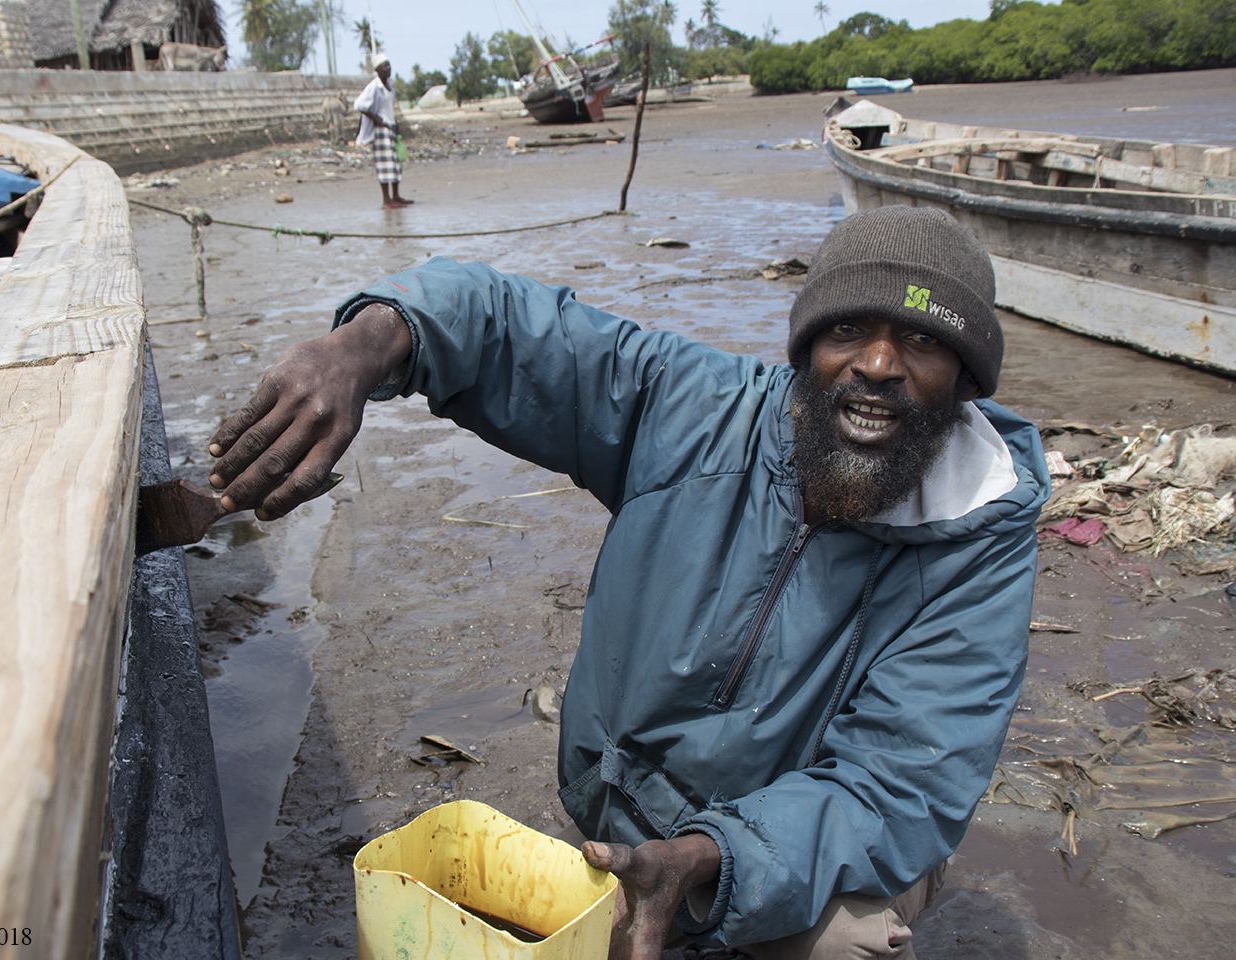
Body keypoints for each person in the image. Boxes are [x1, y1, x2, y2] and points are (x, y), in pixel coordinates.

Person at [206, 206, 1049, 958]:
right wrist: (362, 346)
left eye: (923, 341)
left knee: (854, 942)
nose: (876, 364)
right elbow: (507, 326)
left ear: (968, 381)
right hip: (626, 810)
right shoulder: (699, 413)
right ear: (803, 352)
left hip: (782, 851)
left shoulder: (977, 547)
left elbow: (898, 782)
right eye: (846, 334)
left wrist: (714, 859)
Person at [352, 53, 411, 210]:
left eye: (389, 65)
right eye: (384, 66)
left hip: (390, 128)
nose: (388, 68)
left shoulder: (390, 88)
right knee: (385, 165)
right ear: (377, 70)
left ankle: (396, 196)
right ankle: (387, 200)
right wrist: (375, 117)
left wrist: (395, 123)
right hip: (380, 130)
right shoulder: (374, 86)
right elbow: (359, 105)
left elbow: (388, 109)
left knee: (395, 164)